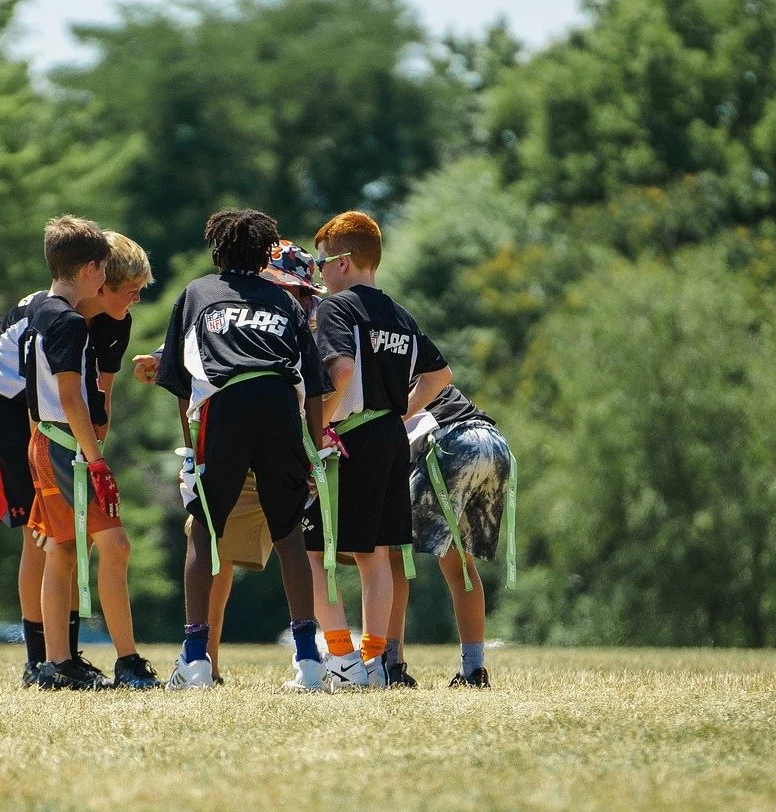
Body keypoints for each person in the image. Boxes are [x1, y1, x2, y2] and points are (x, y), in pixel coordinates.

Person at [129, 240, 324, 684]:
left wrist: (193, 452)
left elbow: (186, 373)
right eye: (298, 289)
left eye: (307, 292)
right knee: (267, 536)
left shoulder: (205, 291)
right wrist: (314, 453)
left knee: (210, 530)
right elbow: (313, 383)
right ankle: (295, 658)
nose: (307, 299)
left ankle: (196, 656)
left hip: (227, 414)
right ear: (267, 272)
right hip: (277, 416)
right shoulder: (278, 305)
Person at [302, 211, 451, 690]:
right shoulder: (398, 313)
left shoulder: (337, 309)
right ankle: (376, 660)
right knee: (377, 555)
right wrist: (401, 414)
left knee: (319, 551)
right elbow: (439, 376)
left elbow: (341, 371)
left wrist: (315, 429)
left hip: (352, 439)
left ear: (344, 262)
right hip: (391, 436)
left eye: (323, 262)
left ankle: (344, 662)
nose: (319, 273)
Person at [17, 217, 131, 690]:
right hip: (65, 444)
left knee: (63, 549)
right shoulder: (67, 322)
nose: (106, 280)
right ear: (88, 269)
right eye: (103, 270)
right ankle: (64, 662)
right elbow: (70, 398)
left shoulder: (38, 311)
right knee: (109, 546)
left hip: (47, 441)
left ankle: (56, 662)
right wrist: (97, 459)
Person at [391, 383, 514, 688]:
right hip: (493, 444)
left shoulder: (380, 375)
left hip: (452, 444)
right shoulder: (415, 361)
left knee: (390, 553)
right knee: (459, 563)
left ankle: (390, 665)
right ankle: (473, 671)